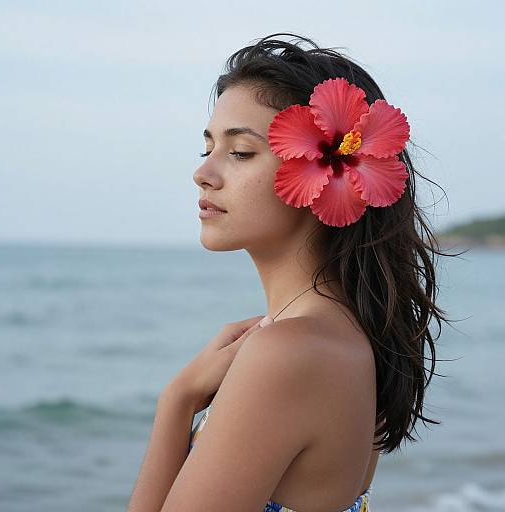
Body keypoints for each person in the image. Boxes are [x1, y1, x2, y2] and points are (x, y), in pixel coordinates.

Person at [127, 32, 456, 512]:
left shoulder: (290, 351)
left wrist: (176, 402)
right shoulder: (351, 332)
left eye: (240, 152)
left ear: (322, 174)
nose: (204, 173)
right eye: (208, 148)